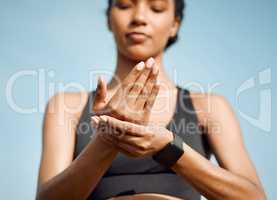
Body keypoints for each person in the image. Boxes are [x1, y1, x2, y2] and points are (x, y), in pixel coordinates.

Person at [36, 0, 266, 199]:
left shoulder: (209, 107)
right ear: (108, 19)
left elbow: (253, 196)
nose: (139, 17)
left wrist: (169, 147)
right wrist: (108, 140)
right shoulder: (67, 107)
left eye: (156, 8)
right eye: (125, 5)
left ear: (174, 24)